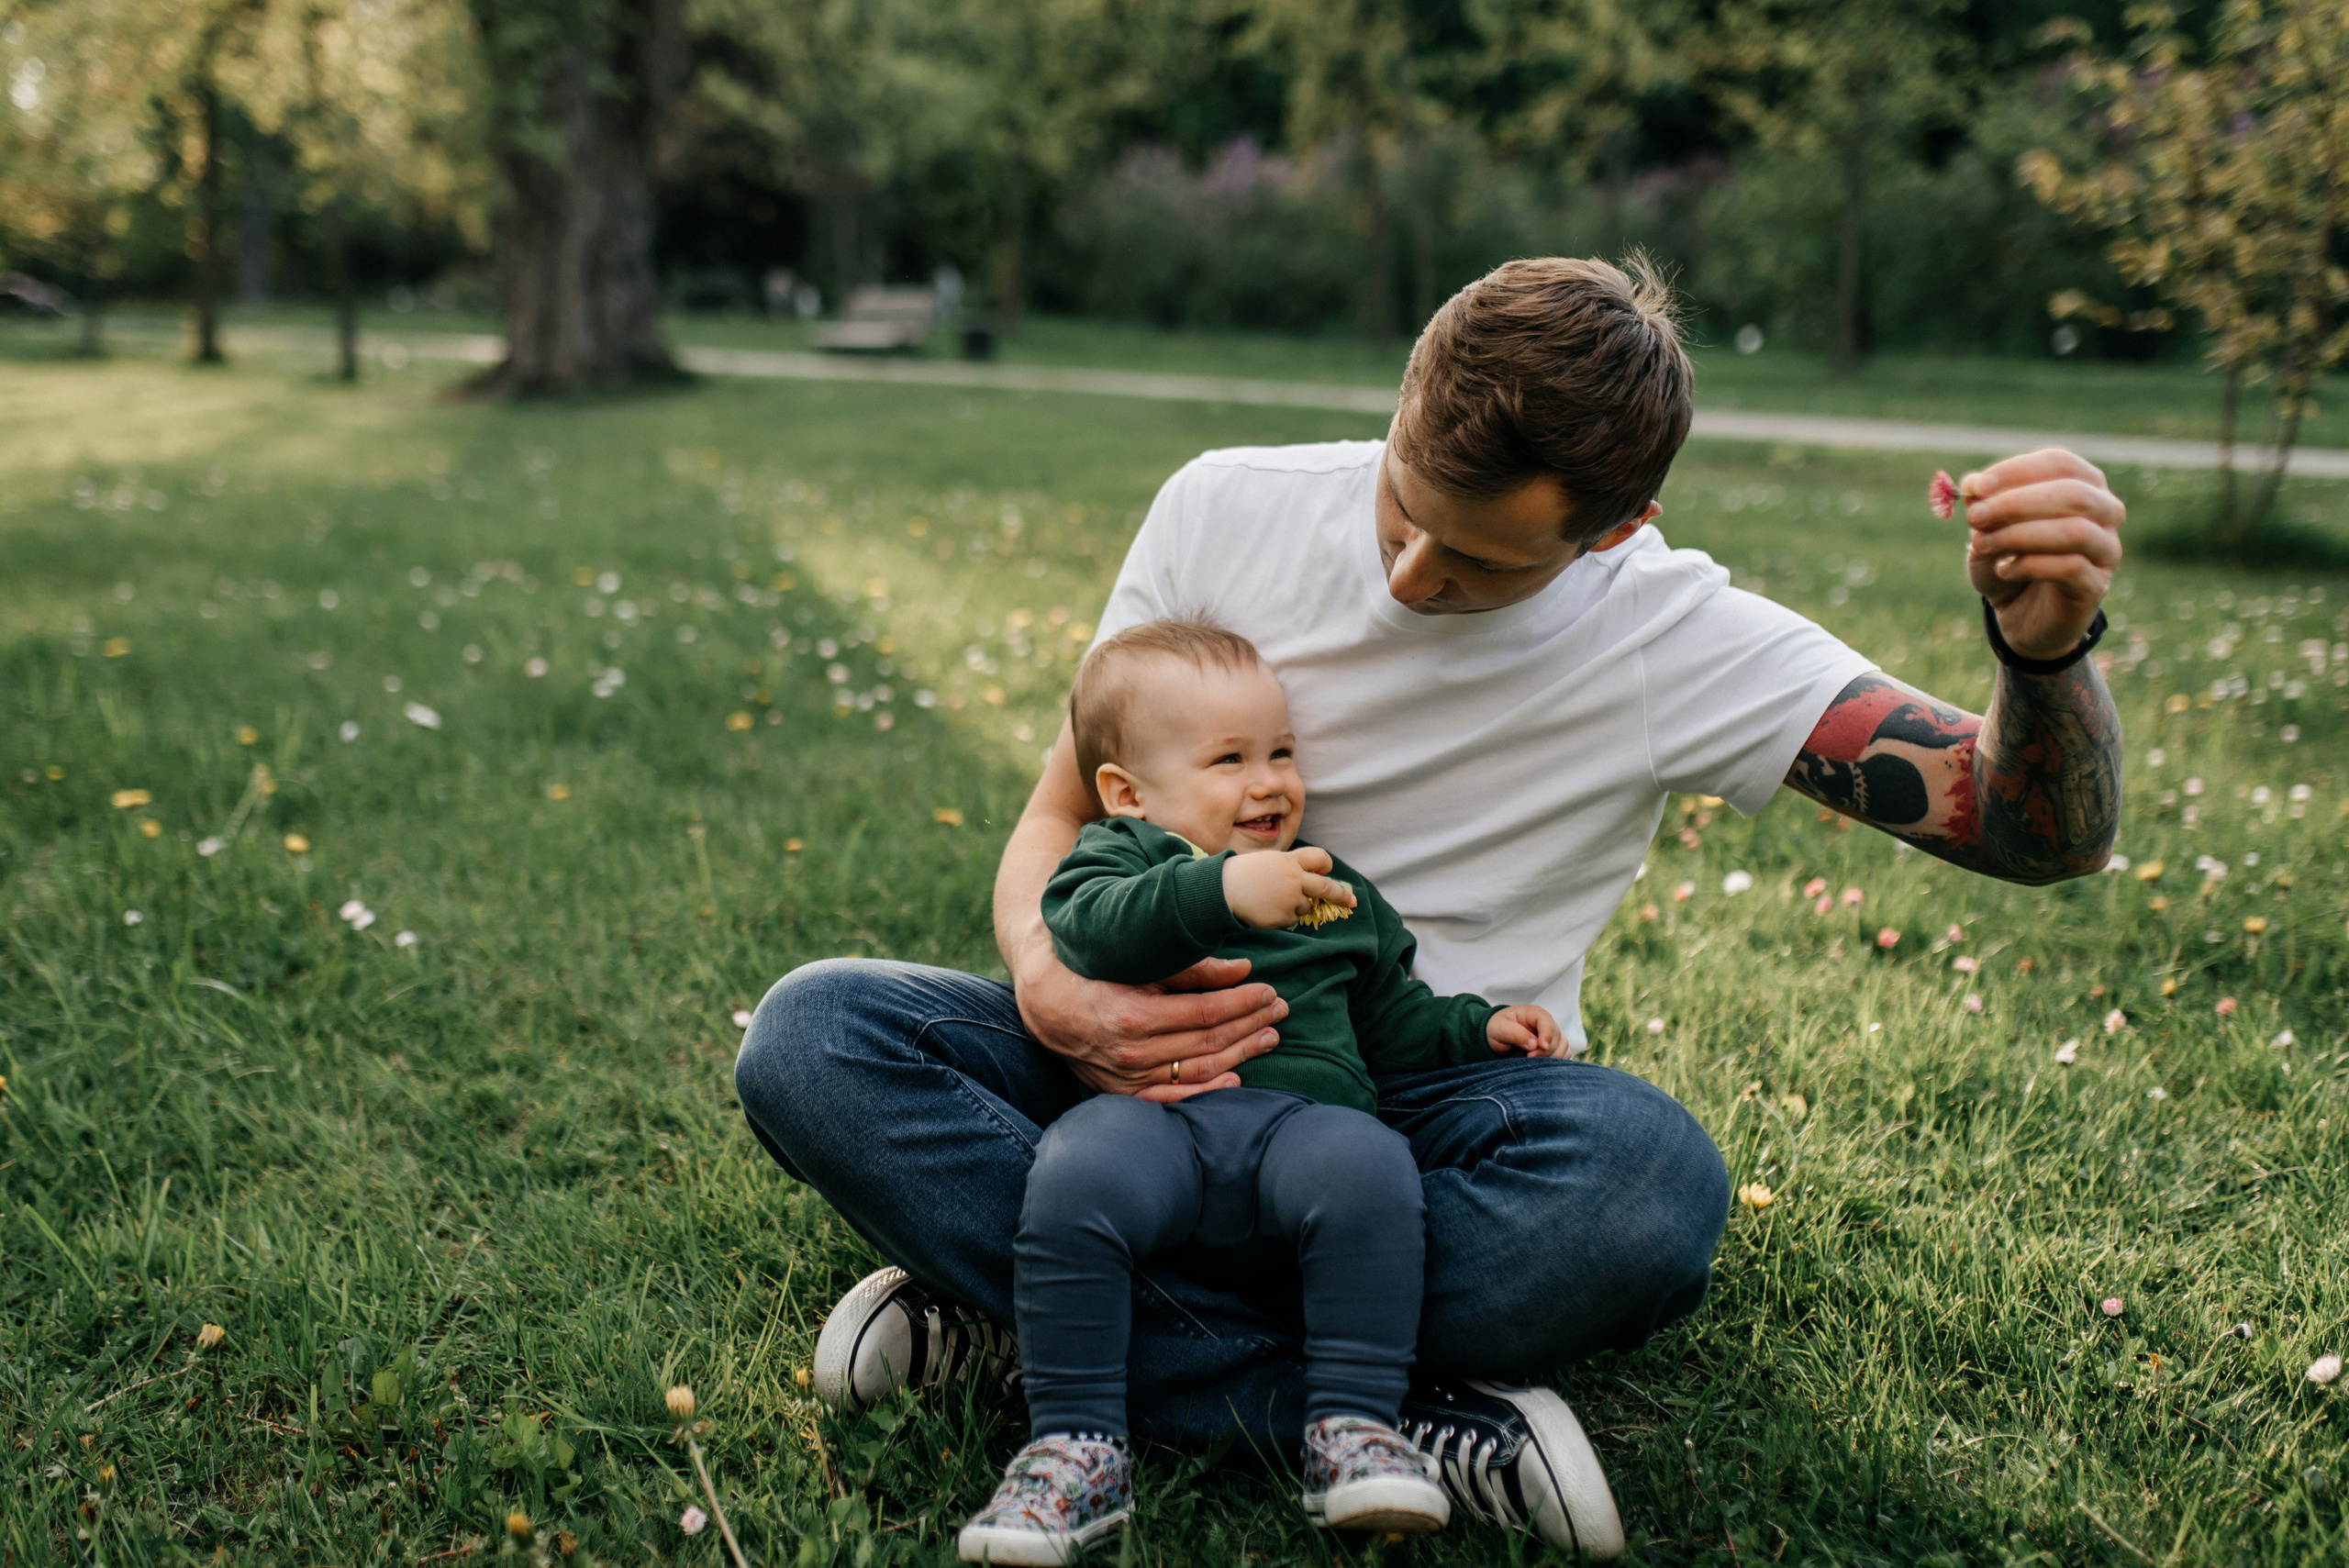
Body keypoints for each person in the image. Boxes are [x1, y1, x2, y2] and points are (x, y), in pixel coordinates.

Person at [735, 256, 2123, 1559]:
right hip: (1135, 1057)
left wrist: (2045, 651)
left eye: (1474, 563)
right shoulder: (1225, 504)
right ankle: (1382, 1408)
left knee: (1648, 1190)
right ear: (1406, 390)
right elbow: (1063, 812)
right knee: (813, 1037)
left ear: (1614, 530)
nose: (1409, 577)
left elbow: (2030, 831)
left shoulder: (1681, 638)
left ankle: (1048, 1320)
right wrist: (1051, 982)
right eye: (1405, 508)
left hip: (1420, 1099)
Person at [956, 620, 1575, 1563]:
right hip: (1152, 1122)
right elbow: (1089, 935)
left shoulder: (1329, 890)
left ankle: (1355, 1425)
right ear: (1128, 792)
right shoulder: (1119, 861)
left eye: (1281, 751)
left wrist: (1477, 1027)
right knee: (1071, 1175)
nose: (1269, 779)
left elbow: (1390, 1018)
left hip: (1306, 1127)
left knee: (1375, 1169)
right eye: (1228, 758)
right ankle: (1072, 1441)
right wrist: (1221, 890)